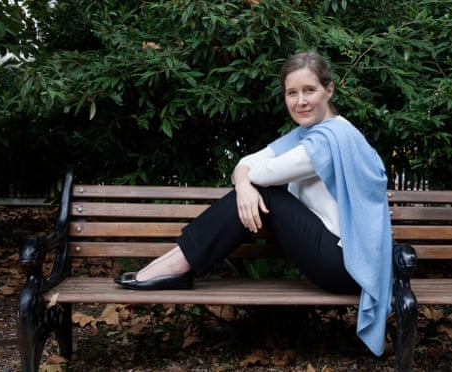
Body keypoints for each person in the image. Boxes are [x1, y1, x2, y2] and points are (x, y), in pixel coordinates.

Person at [114, 51, 393, 356]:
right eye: (292, 93)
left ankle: (177, 265)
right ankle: (176, 265)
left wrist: (245, 182)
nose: (301, 101)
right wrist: (244, 182)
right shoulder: (308, 133)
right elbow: (246, 163)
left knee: (266, 192)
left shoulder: (330, 139)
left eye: (309, 90)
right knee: (256, 190)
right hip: (342, 259)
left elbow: (262, 172)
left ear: (329, 89)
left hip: (346, 265)